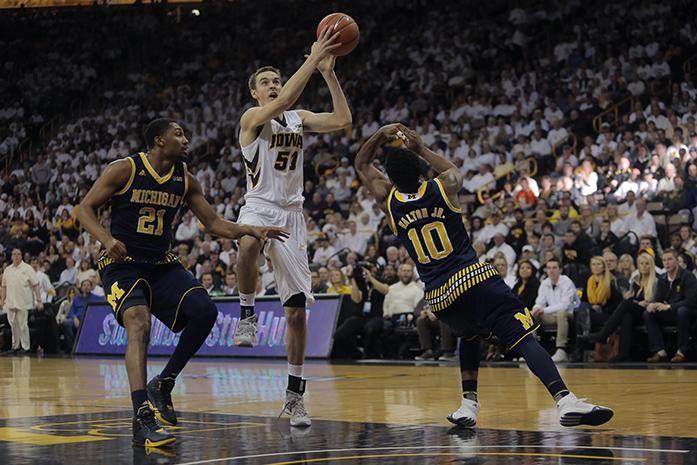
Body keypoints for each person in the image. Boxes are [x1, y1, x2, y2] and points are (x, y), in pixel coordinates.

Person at [355, 123, 612, 428]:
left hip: (438, 295)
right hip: (471, 278)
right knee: (524, 336)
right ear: (421, 171)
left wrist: (381, 133)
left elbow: (361, 163)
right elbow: (453, 170)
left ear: (392, 180)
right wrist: (421, 148)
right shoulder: (441, 186)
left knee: (469, 335)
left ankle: (468, 405)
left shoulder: (390, 202)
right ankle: (566, 400)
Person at [76, 118, 288, 447]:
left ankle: (164, 382)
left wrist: (251, 230)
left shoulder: (185, 180)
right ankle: (141, 416)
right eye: (179, 134)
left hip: (161, 263)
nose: (187, 139)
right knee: (138, 322)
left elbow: (215, 223)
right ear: (159, 140)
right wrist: (105, 239)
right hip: (123, 264)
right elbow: (84, 208)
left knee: (205, 312)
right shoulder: (125, 169)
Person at [233, 26, 350, 427]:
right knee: (247, 243)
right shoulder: (252, 119)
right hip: (259, 206)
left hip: (292, 216)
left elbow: (342, 119)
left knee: (296, 313)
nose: (273, 85)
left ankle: (294, 396)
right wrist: (313, 57)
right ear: (255, 93)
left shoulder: (297, 119)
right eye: (265, 82)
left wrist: (329, 74)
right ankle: (246, 313)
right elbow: (286, 98)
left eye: (275, 80)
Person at [583, 249, 665, 362]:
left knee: (626, 304)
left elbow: (655, 301)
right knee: (626, 315)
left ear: (651, 265)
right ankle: (623, 354)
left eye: (647, 264)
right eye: (641, 263)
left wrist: (638, 302)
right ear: (638, 265)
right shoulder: (635, 280)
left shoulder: (656, 281)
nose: (644, 266)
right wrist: (635, 301)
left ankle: (603, 334)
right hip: (636, 312)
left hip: (649, 313)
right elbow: (631, 298)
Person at [643, 249, 697, 363]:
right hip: (671, 313)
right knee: (648, 314)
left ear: (677, 261)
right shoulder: (662, 278)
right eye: (664, 260)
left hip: (688, 314)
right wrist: (651, 305)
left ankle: (682, 352)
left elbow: (692, 301)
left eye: (669, 259)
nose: (666, 263)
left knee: (682, 311)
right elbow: (657, 299)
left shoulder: (688, 276)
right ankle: (660, 351)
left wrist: (669, 307)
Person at [532, 258, 578, 362]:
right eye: (548, 268)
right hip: (552, 315)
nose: (551, 270)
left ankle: (561, 350)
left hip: (569, 315)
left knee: (561, 313)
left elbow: (564, 305)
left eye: (554, 268)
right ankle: (532, 349)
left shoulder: (567, 282)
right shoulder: (544, 283)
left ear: (560, 270)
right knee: (532, 315)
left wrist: (544, 310)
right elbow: (539, 302)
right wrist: (535, 309)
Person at [0, 248, 42, 355]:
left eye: (18, 254)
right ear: (11, 256)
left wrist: (39, 300)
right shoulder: (7, 270)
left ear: (21, 256)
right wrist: (2, 299)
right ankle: (15, 346)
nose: (16, 256)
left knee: (23, 325)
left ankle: (25, 347)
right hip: (10, 302)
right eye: (14, 254)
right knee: (13, 325)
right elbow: (3, 286)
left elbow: (35, 285)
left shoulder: (27, 268)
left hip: (23, 302)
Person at [61, 279, 101, 351]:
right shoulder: (76, 299)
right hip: (77, 320)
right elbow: (71, 312)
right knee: (66, 323)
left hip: (90, 320)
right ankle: (71, 346)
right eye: (84, 285)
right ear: (81, 287)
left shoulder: (96, 298)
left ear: (91, 287)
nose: (86, 287)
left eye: (88, 285)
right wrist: (74, 318)